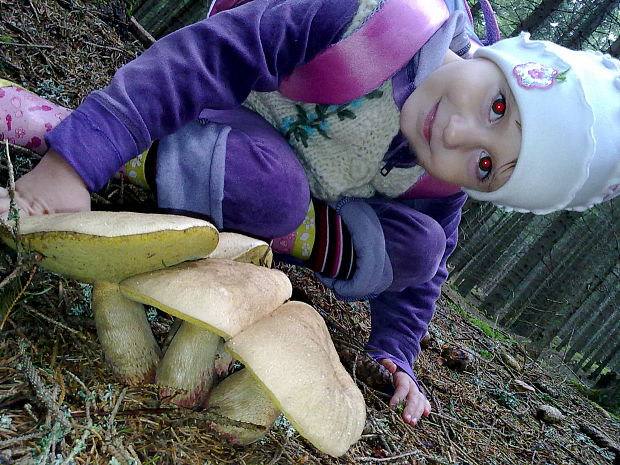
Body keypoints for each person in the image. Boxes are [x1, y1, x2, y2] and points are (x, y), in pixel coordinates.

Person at [1, 0, 618, 427]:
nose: (457, 133)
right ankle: (102, 144)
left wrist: (397, 348)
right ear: (500, 57)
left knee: (423, 248)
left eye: (487, 166)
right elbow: (207, 56)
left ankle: (266, 234)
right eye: (497, 105)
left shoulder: (437, 175)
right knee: (272, 191)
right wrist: (75, 163)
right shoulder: (367, 18)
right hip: (231, 128)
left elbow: (430, 272)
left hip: (307, 189)